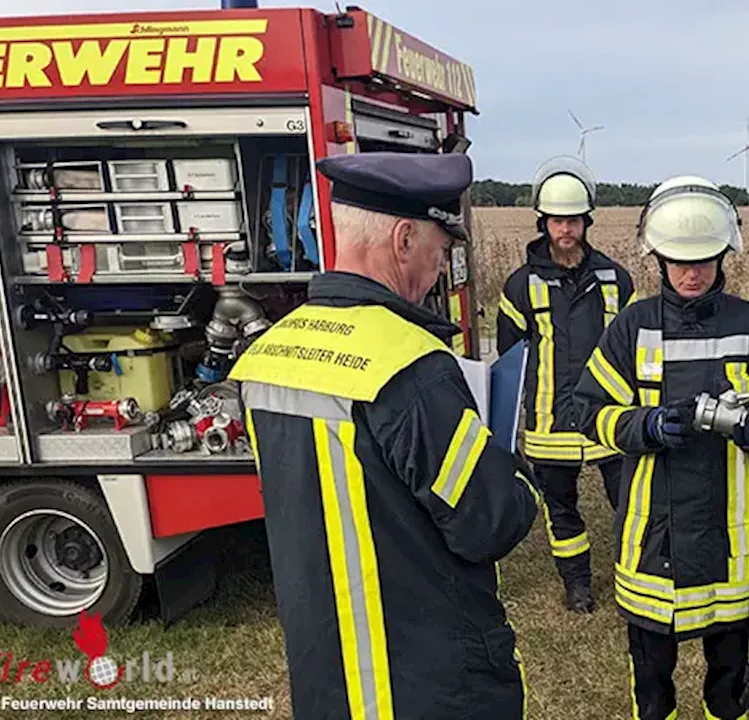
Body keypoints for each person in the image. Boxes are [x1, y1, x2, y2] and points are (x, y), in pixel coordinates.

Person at [230, 152, 542, 720]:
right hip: (425, 678)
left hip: (326, 673)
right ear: (403, 239)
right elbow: (489, 523)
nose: (439, 269)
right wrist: (513, 463)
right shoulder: (411, 367)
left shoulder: (268, 355)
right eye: (440, 250)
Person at [574, 176, 749, 719]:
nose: (691, 272)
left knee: (726, 684)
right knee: (652, 687)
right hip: (650, 541)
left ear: (723, 255)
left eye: (704, 259)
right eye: (678, 259)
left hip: (729, 541)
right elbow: (587, 412)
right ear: (656, 257)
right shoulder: (632, 327)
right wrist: (646, 426)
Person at [497, 156, 636, 613]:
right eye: (557, 220)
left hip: (610, 419)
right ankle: (577, 585)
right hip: (548, 424)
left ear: (586, 221)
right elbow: (509, 357)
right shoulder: (520, 287)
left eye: (574, 220)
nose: (566, 229)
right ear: (544, 222)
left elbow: (635, 350)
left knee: (632, 506)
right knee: (561, 511)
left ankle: (632, 576)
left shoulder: (617, 280)